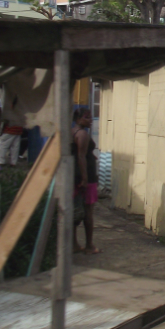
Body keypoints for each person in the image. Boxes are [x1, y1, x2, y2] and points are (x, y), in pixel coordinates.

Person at [72, 109, 100, 254]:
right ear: (78, 119)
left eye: (91, 117)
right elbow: (81, 156)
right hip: (85, 177)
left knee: (75, 210)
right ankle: (89, 245)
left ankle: (74, 243)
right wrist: (84, 179)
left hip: (75, 175)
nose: (90, 120)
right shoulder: (82, 134)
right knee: (88, 212)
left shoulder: (73, 132)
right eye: (86, 118)